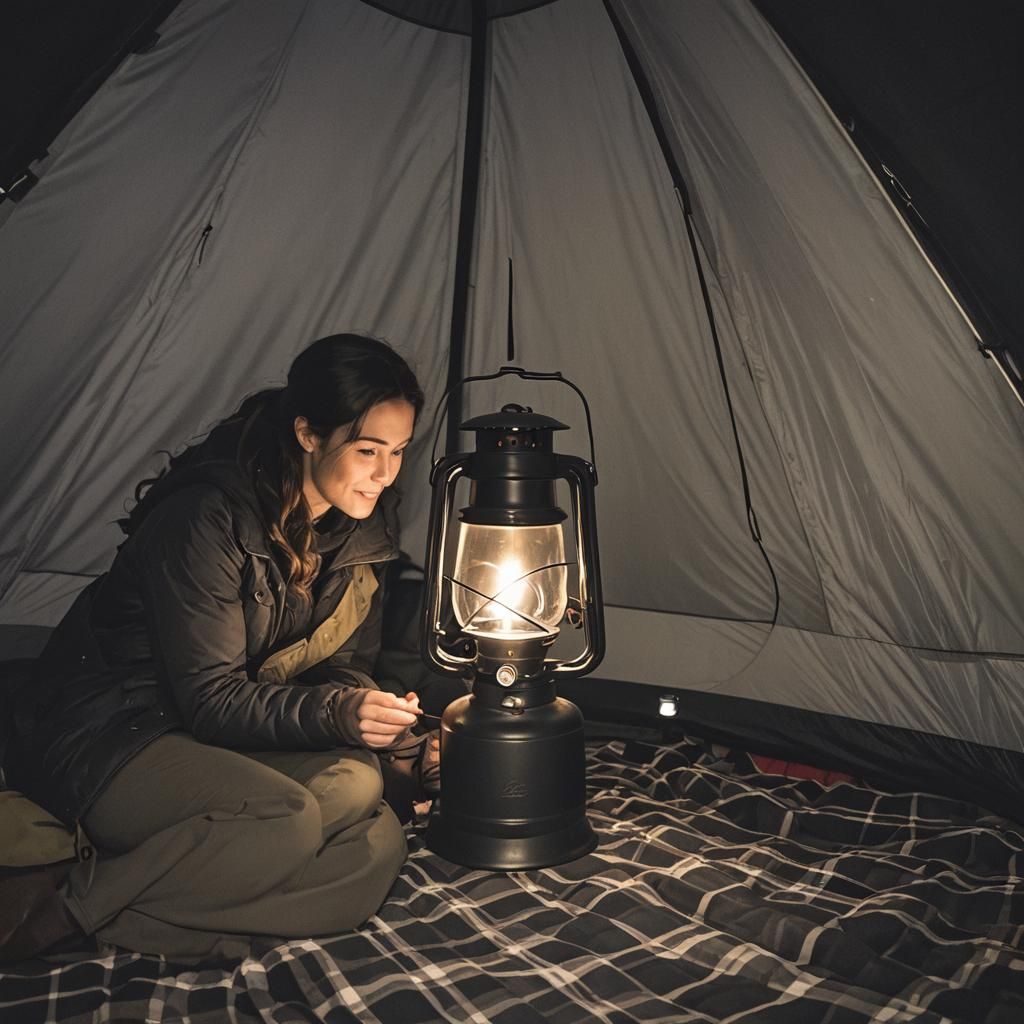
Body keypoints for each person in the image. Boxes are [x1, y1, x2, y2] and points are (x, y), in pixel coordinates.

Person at [0, 333, 438, 964]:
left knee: (369, 818)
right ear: (308, 433)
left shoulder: (361, 521)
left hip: (225, 737)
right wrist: (338, 714)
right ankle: (67, 908)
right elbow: (208, 699)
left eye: (398, 451)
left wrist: (367, 705)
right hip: (118, 729)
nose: (385, 474)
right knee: (287, 819)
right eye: (368, 450)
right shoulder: (206, 516)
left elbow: (339, 664)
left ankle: (172, 908)